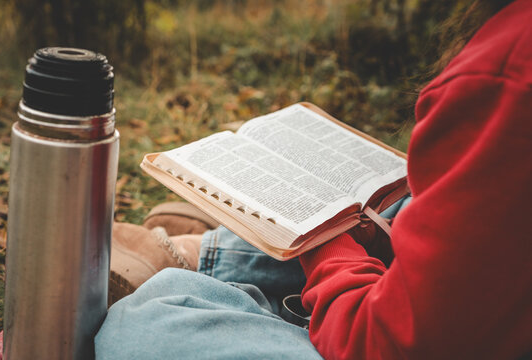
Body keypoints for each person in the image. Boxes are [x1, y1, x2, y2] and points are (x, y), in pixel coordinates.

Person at [97, 0, 532, 358]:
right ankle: (207, 255)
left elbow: (383, 342)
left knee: (148, 322)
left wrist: (324, 242)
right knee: (401, 202)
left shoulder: (506, 73)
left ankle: (206, 267)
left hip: (402, 338)